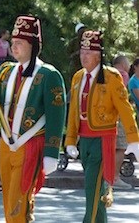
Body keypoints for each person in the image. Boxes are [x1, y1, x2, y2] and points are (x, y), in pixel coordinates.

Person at [0, 15, 66, 222]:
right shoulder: (6, 70)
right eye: (13, 43)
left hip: (29, 146)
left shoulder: (48, 75)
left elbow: (56, 117)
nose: (13, 47)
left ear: (33, 45)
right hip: (6, 146)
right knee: (8, 203)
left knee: (19, 203)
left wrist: (52, 152)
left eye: (19, 43)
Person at [64, 30, 139, 223]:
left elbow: (125, 109)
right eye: (82, 52)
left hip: (103, 140)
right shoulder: (78, 77)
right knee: (97, 191)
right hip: (85, 141)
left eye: (88, 53)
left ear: (98, 56)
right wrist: (70, 139)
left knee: (92, 187)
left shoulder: (112, 77)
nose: (83, 56)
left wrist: (134, 138)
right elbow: (73, 111)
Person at [112, 54, 133, 189]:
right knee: (120, 147)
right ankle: (114, 178)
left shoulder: (105, 73)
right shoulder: (123, 75)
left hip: (104, 115)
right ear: (124, 64)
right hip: (118, 114)